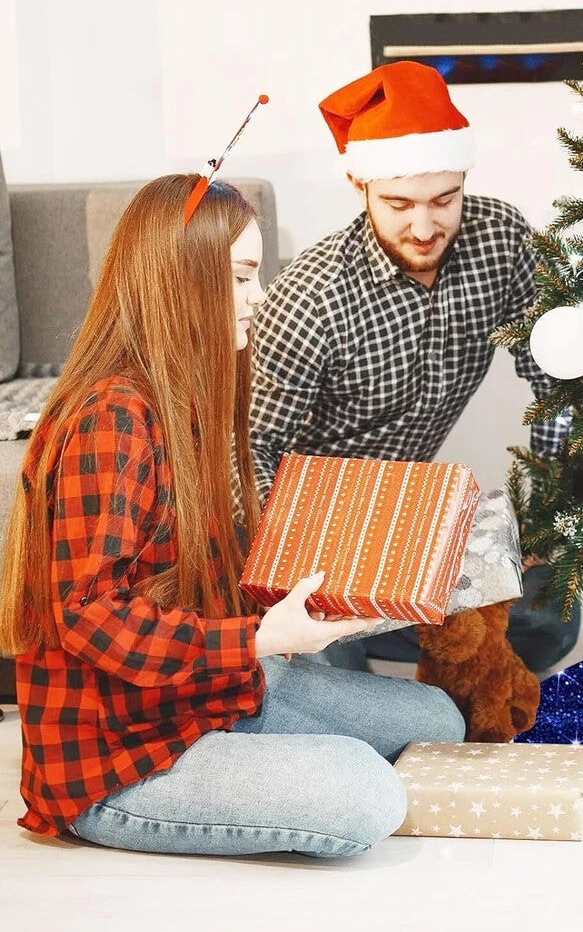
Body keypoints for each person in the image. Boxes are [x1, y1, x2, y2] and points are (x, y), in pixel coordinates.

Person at [0, 174, 464, 857]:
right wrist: (255, 641)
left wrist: (321, 590)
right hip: (120, 757)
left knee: (440, 720)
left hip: (200, 692)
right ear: (181, 281)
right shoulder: (113, 419)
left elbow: (191, 573)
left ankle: (263, 745)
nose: (261, 299)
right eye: (243, 277)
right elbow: (87, 615)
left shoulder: (180, 397)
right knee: (367, 794)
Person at [246, 61, 581, 673]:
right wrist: (300, 576)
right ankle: (347, 660)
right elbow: (251, 449)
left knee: (548, 617)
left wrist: (541, 518)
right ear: (360, 186)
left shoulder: (502, 238)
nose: (423, 227)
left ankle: (412, 647)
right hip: (318, 531)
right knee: (345, 717)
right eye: (398, 204)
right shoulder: (310, 297)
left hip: (417, 512)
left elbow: (554, 379)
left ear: (463, 179)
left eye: (443, 200)